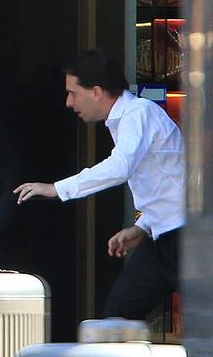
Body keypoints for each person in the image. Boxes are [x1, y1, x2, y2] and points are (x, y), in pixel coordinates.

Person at [13, 48, 184, 320]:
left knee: (124, 313)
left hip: (184, 237)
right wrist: (142, 227)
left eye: (73, 93)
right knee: (119, 312)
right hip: (164, 236)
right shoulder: (129, 118)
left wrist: (55, 188)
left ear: (96, 91)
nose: (68, 102)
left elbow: (120, 167)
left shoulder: (137, 113)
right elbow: (167, 182)